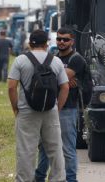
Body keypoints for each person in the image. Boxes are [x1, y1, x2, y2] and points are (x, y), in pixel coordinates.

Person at [7, 29, 69, 182]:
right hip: (50, 110)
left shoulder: (20, 60)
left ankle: (25, 179)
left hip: (27, 112)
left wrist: (16, 108)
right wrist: (57, 107)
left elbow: (11, 86)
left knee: (26, 150)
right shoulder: (56, 61)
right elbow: (65, 87)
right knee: (55, 149)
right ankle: (58, 179)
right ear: (47, 43)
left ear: (29, 44)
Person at [35, 26, 87, 182]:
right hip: (50, 106)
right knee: (44, 146)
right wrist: (61, 79)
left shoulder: (76, 59)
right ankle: (39, 177)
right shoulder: (54, 57)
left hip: (68, 108)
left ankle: (71, 179)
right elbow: (51, 79)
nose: (62, 42)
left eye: (65, 39)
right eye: (59, 39)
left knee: (67, 148)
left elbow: (56, 79)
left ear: (72, 41)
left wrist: (57, 78)